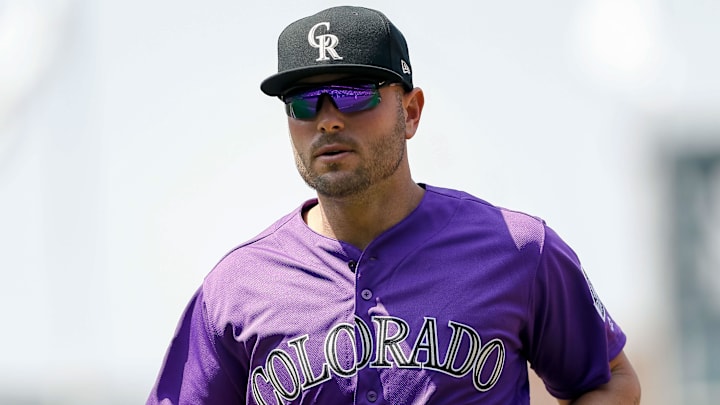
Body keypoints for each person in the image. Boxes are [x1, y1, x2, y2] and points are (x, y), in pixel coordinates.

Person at [147, 6, 641, 404]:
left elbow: (611, 382)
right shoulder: (237, 287)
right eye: (303, 102)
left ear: (410, 111)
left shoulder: (517, 249)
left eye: (352, 94)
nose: (328, 120)